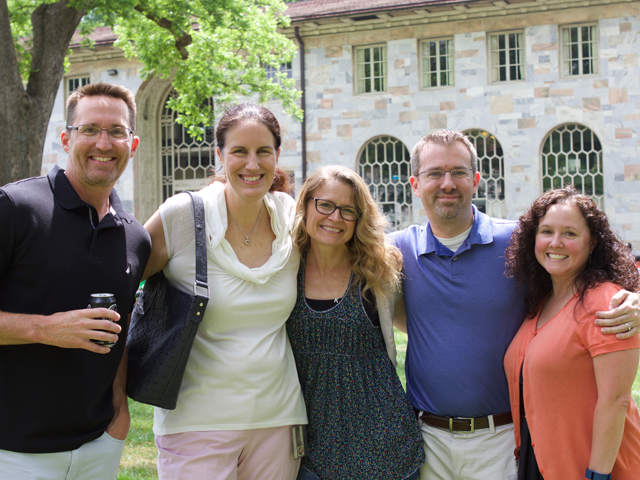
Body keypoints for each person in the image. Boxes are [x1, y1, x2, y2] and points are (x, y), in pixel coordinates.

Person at [389, 130, 640, 480]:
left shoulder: (519, 243)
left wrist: (637, 299)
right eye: (434, 173)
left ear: (475, 179)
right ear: (415, 183)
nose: (447, 183)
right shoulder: (398, 249)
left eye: (459, 172)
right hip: (427, 440)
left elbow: (581, 268)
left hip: (504, 439)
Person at [143, 103, 306, 480]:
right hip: (194, 423)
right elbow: (119, 275)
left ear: (277, 155)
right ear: (220, 156)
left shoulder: (292, 218)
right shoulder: (182, 216)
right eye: (239, 152)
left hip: (278, 421)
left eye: (264, 151)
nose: (253, 164)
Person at [0, 82, 151, 479]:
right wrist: (45, 328)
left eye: (116, 131)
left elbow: (121, 329)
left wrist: (118, 413)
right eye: (90, 129)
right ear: (67, 139)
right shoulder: (15, 208)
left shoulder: (136, 237)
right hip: (12, 452)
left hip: (98, 447)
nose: (104, 142)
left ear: (132, 144)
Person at [287, 166, 425, 480]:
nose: (335, 218)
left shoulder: (379, 270)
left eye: (348, 210)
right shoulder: (285, 267)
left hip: (383, 447)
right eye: (325, 205)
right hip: (310, 449)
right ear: (306, 204)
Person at [503, 186, 640, 480]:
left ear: (592, 244)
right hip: (539, 461)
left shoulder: (607, 303)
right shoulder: (541, 302)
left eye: (570, 233)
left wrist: (598, 476)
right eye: (547, 231)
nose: (556, 242)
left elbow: (616, 400)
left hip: (593, 469)